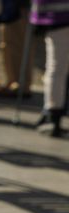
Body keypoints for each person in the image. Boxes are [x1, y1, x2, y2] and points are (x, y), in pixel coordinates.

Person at [32, 0, 69, 136]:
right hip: (56, 19)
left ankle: (52, 114)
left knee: (56, 68)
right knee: (57, 69)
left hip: (54, 19)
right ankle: (53, 115)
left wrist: (36, 18)